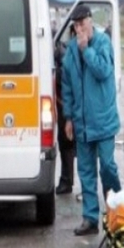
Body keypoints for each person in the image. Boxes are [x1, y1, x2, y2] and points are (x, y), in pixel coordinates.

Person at [61, 4, 122, 236]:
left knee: (107, 166)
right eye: (75, 25)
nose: (79, 29)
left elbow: (104, 71)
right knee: (86, 172)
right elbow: (66, 86)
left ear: (90, 21)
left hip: (104, 121)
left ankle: (116, 211)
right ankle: (90, 219)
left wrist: (87, 50)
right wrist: (68, 118)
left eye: (82, 23)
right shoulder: (70, 53)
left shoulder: (102, 43)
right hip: (82, 123)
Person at [55, 31, 76, 195]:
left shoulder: (66, 60)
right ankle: (67, 180)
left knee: (66, 144)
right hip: (66, 107)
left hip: (66, 108)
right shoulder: (70, 53)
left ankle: (66, 181)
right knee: (68, 145)